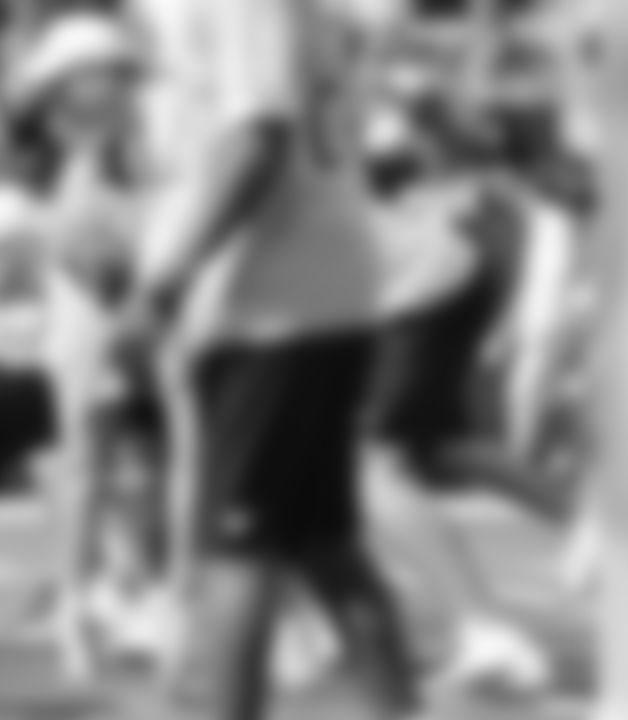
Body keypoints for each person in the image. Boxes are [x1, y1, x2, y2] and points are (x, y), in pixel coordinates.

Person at [117, 0, 421, 717]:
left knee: (239, 555)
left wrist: (166, 282)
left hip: (268, 302)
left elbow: (256, 137)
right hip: (311, 287)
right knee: (326, 548)